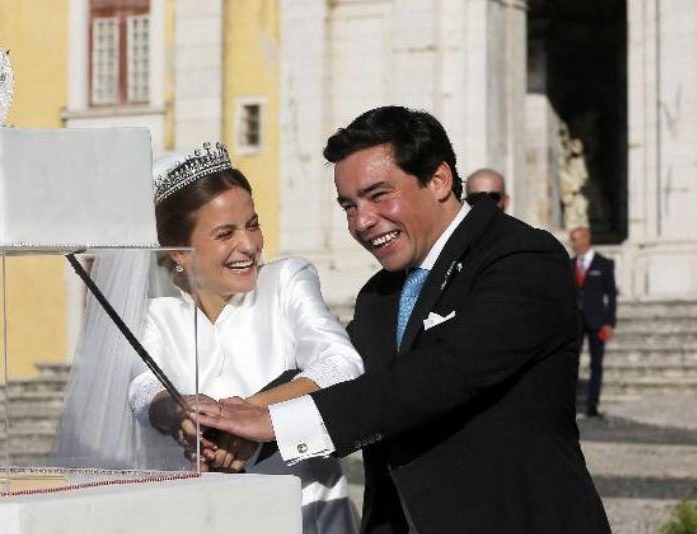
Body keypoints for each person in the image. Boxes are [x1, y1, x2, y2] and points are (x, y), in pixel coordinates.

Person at [194, 107, 610, 534]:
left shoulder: (522, 258)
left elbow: (437, 376)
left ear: (438, 180)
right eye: (348, 206)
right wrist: (233, 418)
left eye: (378, 195)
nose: (362, 222)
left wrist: (275, 423)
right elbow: (338, 372)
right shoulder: (380, 293)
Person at [125, 142, 364, 533]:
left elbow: (342, 364)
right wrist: (177, 413)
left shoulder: (286, 281)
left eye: (253, 224)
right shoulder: (155, 311)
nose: (250, 245)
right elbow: (142, 385)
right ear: (179, 252)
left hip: (307, 516)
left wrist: (246, 417)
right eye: (225, 233)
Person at [569, 226, 617, 417]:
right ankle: (569, 403)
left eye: (575, 239)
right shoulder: (570, 264)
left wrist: (610, 323)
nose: (572, 244)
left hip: (597, 322)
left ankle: (592, 405)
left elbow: (611, 296)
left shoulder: (604, 264)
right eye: (572, 240)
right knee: (571, 362)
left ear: (586, 239)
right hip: (575, 323)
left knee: (596, 364)